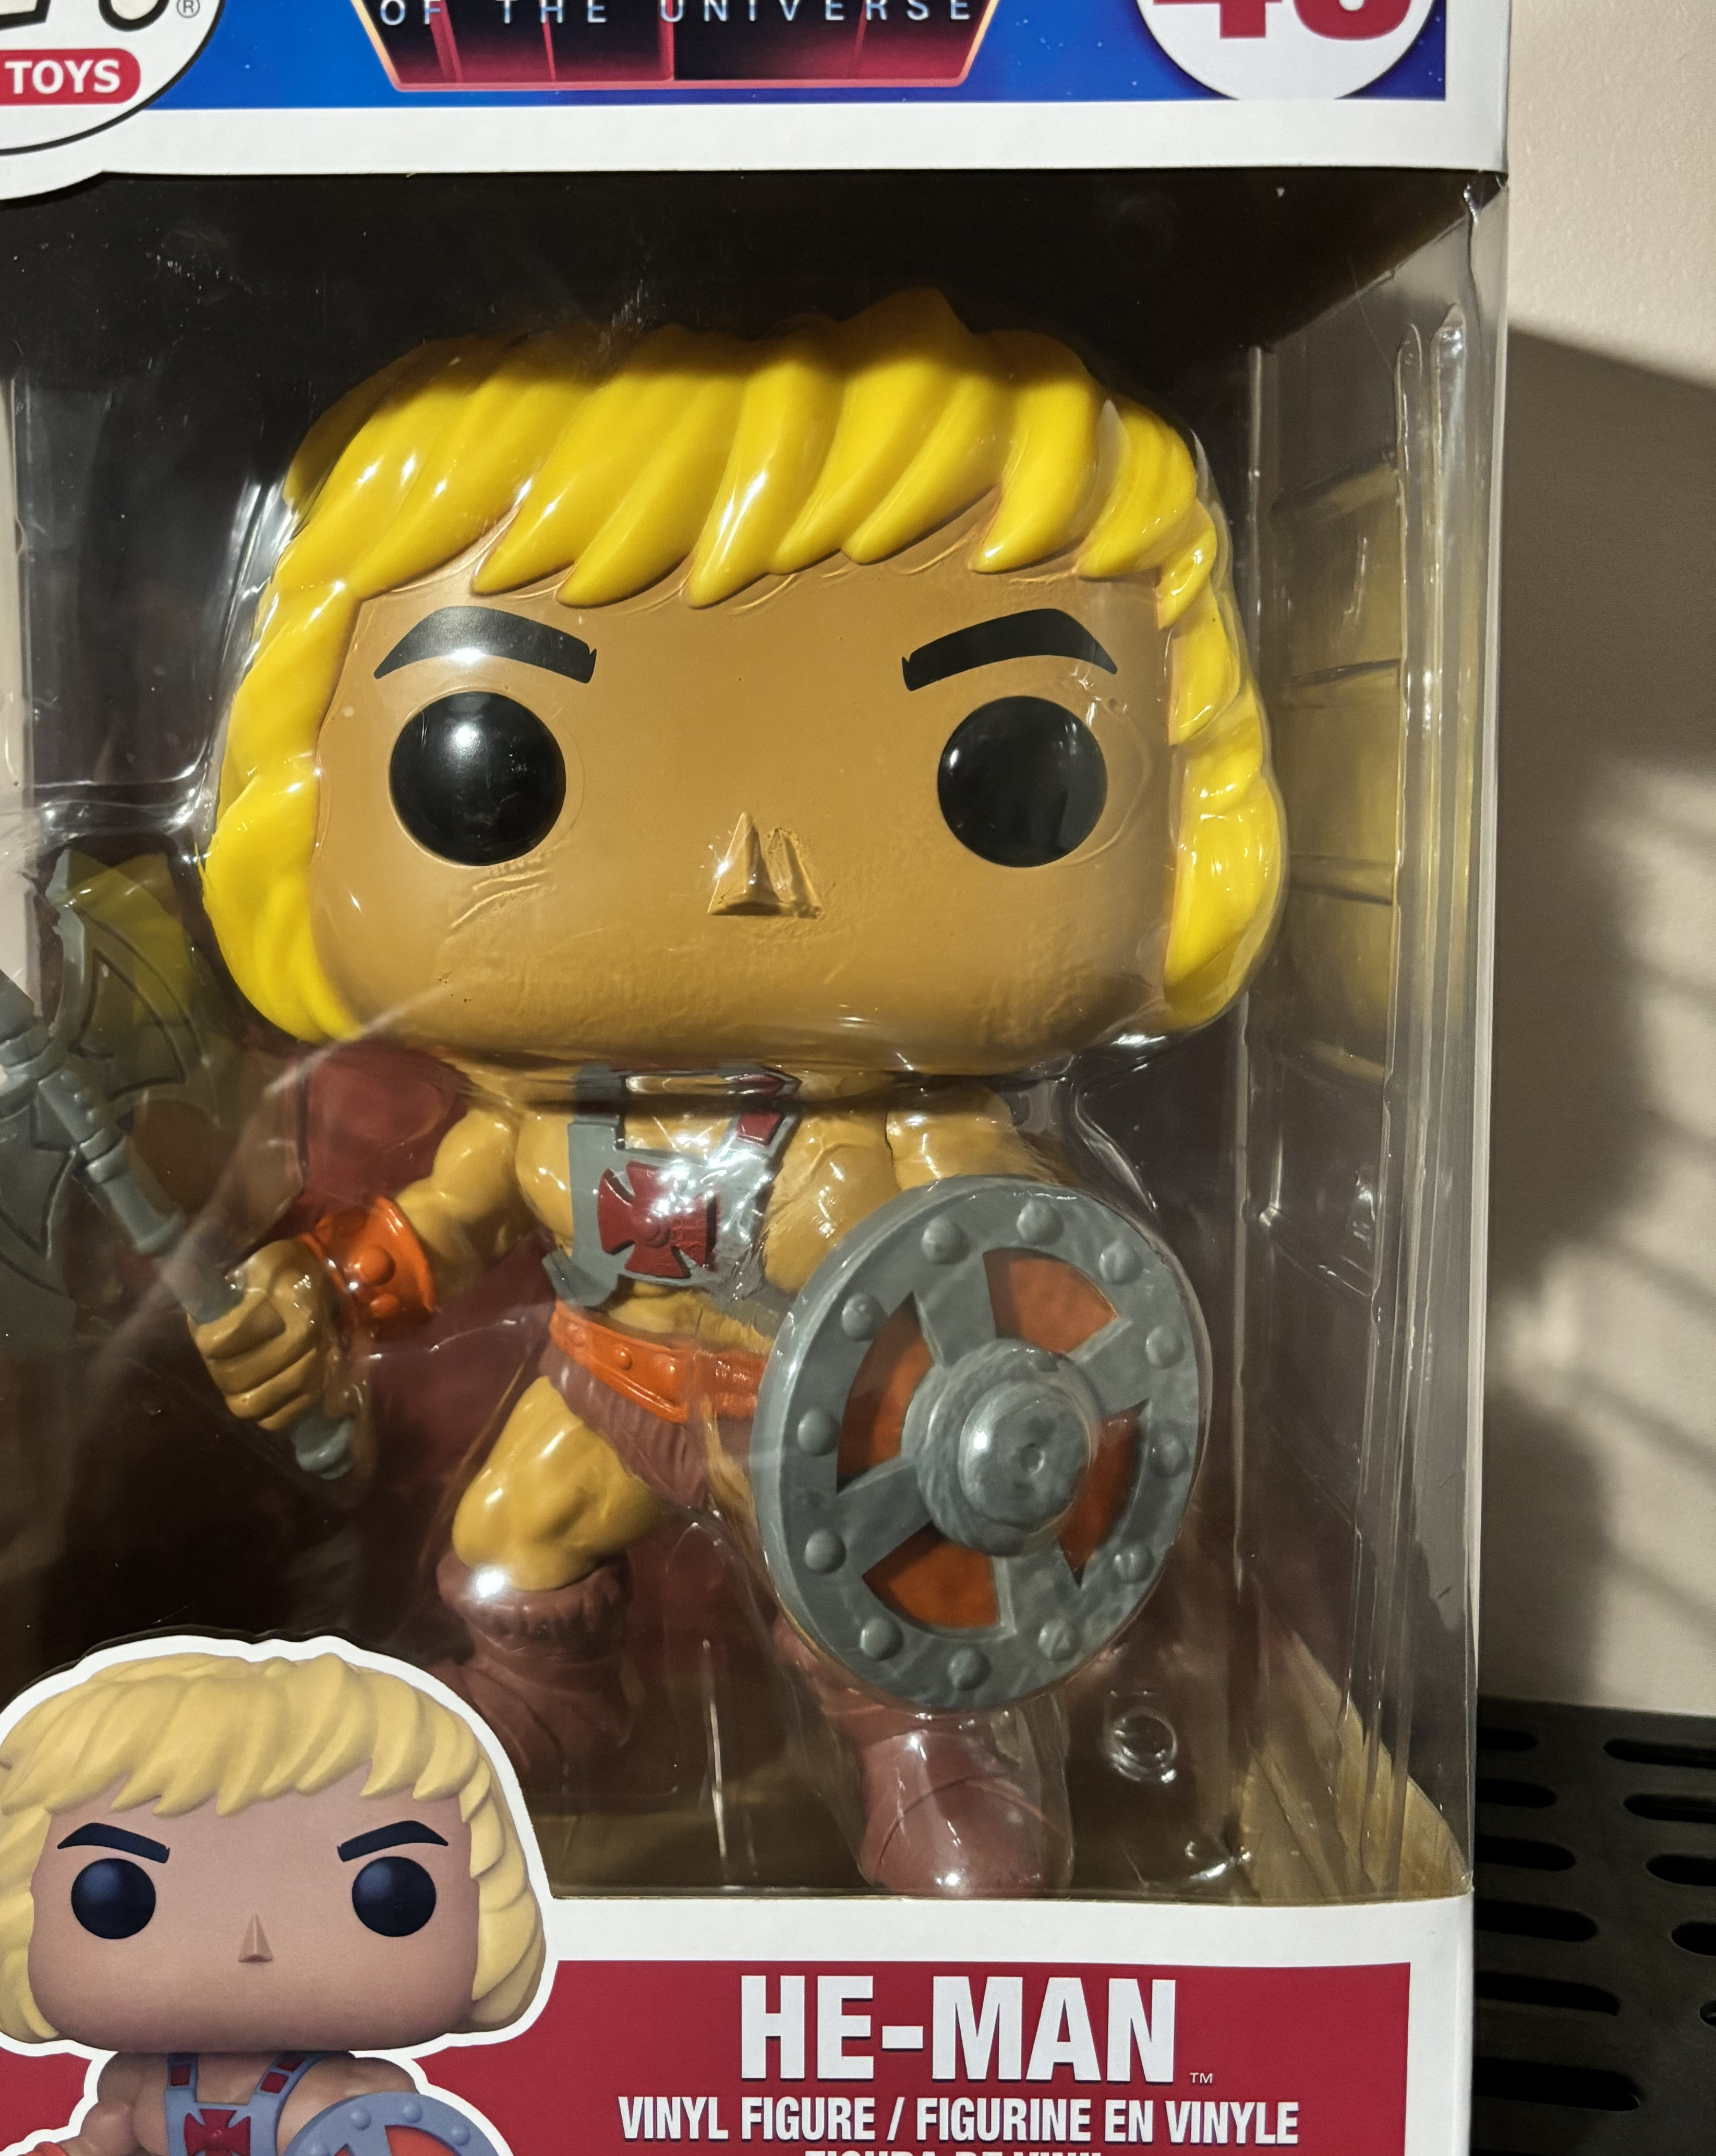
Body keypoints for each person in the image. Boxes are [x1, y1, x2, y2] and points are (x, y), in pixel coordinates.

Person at [193, 292, 1284, 1896]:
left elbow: (1025, 1269)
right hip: (604, 1385)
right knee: (506, 1540)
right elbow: (444, 1216)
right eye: (494, 769)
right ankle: (543, 1704)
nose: (747, 865)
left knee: (878, 1601)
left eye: (1002, 762)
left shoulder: (915, 1125)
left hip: (828, 1427)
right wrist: (325, 1288)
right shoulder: (543, 1114)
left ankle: (928, 1739)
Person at [0, 1644, 543, 2156]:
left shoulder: (365, 2095)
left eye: (390, 1892)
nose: (253, 1941)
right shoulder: (140, 2089)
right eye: (116, 1895)